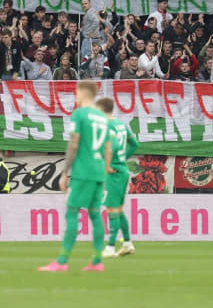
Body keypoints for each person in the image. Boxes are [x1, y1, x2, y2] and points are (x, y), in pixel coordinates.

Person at [39, 80, 111, 272]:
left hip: (83, 171)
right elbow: (107, 147)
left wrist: (64, 172)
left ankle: (62, 261)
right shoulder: (102, 117)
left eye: (77, 93)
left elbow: (74, 144)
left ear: (84, 93)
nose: (75, 96)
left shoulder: (79, 114)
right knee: (95, 215)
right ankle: (97, 261)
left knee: (72, 211)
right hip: (98, 172)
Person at [97, 97, 139, 258]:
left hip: (113, 170)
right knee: (119, 210)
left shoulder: (106, 126)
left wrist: (108, 163)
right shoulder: (121, 124)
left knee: (111, 209)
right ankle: (128, 243)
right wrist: (122, 158)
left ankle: (110, 247)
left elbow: (111, 146)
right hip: (122, 169)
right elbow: (135, 144)